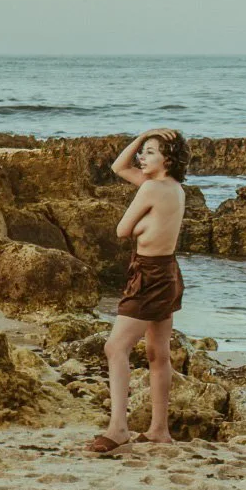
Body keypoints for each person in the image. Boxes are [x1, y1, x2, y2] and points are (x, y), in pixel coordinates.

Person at [89, 128, 190, 452]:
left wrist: (141, 225)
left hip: (149, 275)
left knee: (115, 347)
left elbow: (122, 230)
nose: (140, 157)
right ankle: (159, 430)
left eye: (150, 151)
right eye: (142, 151)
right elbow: (119, 167)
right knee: (158, 354)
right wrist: (145, 135)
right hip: (168, 272)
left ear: (168, 159)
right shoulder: (172, 187)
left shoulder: (151, 188)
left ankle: (118, 429)